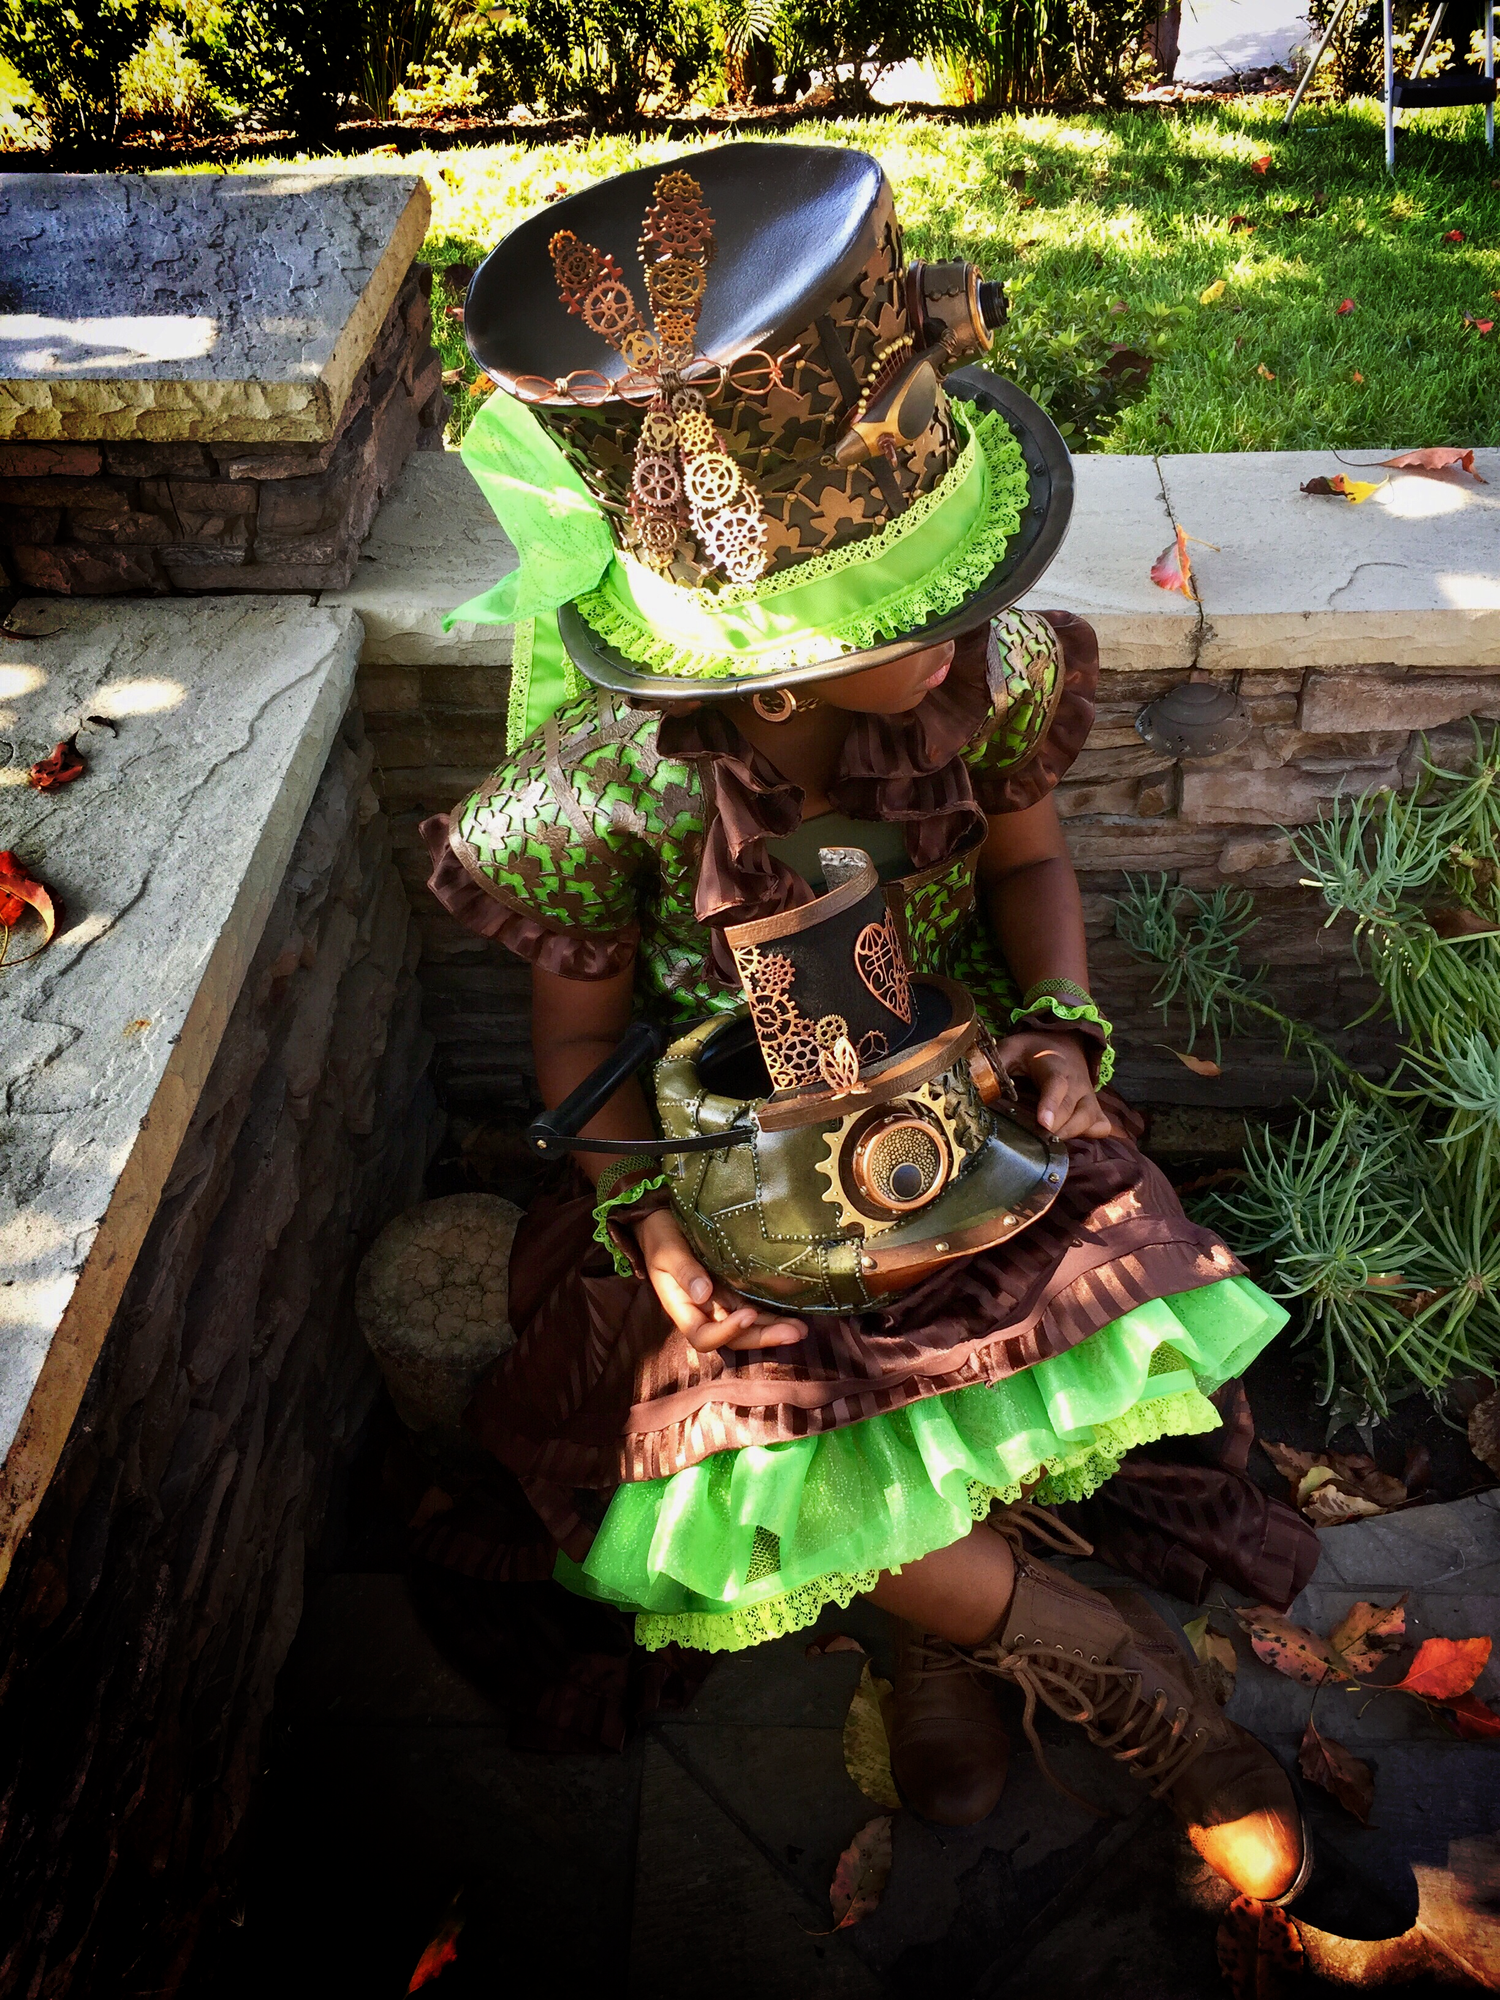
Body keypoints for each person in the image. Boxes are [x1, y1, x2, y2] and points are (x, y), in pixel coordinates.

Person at [422, 143, 1308, 1904]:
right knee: (763, 1408)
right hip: (713, 1153)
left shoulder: (993, 680)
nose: (962, 638)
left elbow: (1028, 863)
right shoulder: (614, 796)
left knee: (1041, 1294)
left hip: (948, 1087)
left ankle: (931, 1631)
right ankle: (1105, 1673)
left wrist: (1060, 1024)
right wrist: (644, 1215)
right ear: (765, 662)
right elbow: (579, 1053)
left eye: (964, 597)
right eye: (910, 622)